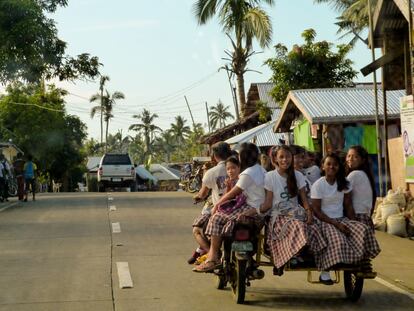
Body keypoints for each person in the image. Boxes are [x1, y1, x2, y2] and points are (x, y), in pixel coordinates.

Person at [193, 142, 265, 273]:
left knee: (215, 219)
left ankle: (213, 257)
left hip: (250, 208)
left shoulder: (247, 173)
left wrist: (217, 205)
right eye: (229, 169)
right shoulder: (261, 169)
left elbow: (233, 193)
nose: (230, 171)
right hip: (258, 209)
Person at [311, 153, 381, 285]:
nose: (332, 167)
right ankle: (325, 272)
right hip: (324, 221)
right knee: (337, 238)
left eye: (335, 165)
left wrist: (353, 222)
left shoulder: (344, 183)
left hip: (341, 219)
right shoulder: (318, 185)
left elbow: (348, 206)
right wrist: (336, 224)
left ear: (339, 167)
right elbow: (317, 211)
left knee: (362, 229)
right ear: (323, 167)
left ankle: (361, 261)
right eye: (329, 164)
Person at [258, 145, 324, 273]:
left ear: (291, 158)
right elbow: (268, 202)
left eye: (287, 157)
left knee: (317, 225)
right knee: (298, 225)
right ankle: (294, 255)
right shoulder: (270, 176)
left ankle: (312, 254)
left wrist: (309, 213)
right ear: (275, 159)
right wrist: (256, 211)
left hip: (296, 212)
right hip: (279, 216)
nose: (285, 160)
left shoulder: (298, 175)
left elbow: (304, 199)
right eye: (281, 157)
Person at [189, 142, 232, 264]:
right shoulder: (239, 168)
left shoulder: (211, 172)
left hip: (219, 210)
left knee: (196, 229)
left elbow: (202, 194)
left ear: (214, 155)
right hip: (239, 209)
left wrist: (196, 197)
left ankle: (212, 253)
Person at [346, 146, 376, 231]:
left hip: (356, 217)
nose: (350, 159)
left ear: (362, 160)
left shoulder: (355, 174)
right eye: (348, 156)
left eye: (355, 157)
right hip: (365, 218)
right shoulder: (365, 174)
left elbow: (343, 196)